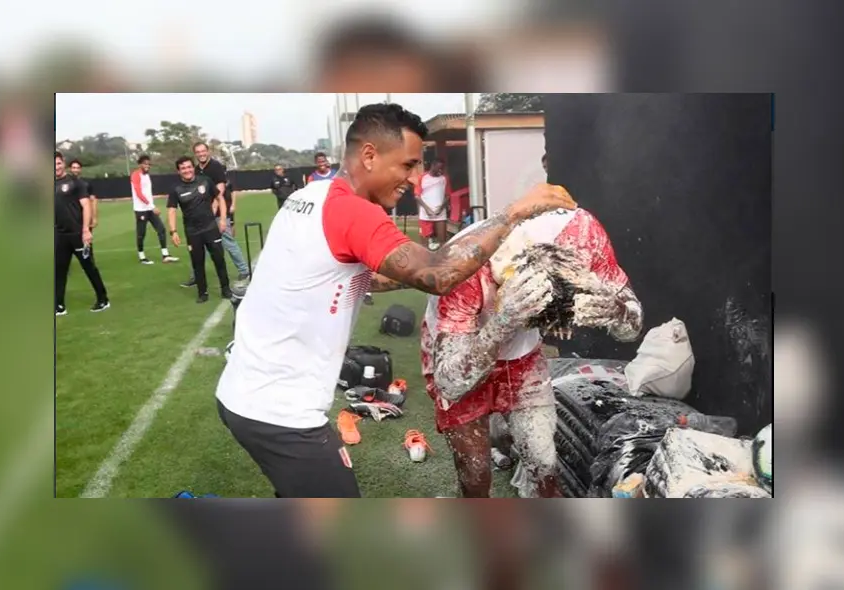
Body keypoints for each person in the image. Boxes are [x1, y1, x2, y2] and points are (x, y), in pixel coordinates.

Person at [215, 102, 576, 498]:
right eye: (407, 165)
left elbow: (360, 275)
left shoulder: (311, 195)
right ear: (369, 155)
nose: (415, 179)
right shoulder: (352, 212)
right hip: (279, 413)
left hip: (241, 392)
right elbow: (438, 273)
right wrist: (514, 214)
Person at [421, 207, 643, 498]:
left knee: (543, 463)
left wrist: (617, 310)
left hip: (522, 358)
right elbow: (450, 383)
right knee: (475, 475)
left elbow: (632, 327)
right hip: (461, 354)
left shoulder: (584, 234)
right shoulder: (464, 266)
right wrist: (502, 323)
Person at [180, 143, 250, 287]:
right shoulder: (196, 169)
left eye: (203, 151)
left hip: (217, 213)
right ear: (195, 154)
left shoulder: (215, 166)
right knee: (198, 247)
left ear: (208, 151)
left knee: (228, 241)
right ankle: (196, 276)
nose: (201, 154)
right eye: (198, 152)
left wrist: (214, 208)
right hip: (202, 215)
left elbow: (220, 189)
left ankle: (244, 270)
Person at [167, 156, 235, 303]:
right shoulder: (175, 189)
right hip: (192, 232)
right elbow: (171, 210)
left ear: (193, 168)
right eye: (183, 168)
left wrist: (223, 219)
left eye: (189, 167)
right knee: (197, 263)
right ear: (178, 171)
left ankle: (225, 289)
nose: (187, 170)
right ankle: (202, 292)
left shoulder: (205, 181)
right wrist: (173, 231)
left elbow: (220, 198)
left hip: (211, 228)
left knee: (219, 260)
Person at [54, 151, 109, 315]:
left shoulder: (76, 183)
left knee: (89, 267)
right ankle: (59, 305)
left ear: (63, 163)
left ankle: (103, 299)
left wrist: (86, 230)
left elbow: (86, 206)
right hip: (60, 235)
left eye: (58, 163)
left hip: (78, 233)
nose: (56, 167)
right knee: (59, 270)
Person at [130, 155, 179, 265]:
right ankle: (142, 257)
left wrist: (151, 206)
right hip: (141, 209)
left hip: (150, 208)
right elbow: (138, 193)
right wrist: (152, 206)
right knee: (141, 233)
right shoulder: (135, 175)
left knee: (161, 229)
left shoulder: (147, 176)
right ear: (140, 164)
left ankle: (165, 255)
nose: (147, 166)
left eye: (149, 164)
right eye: (145, 164)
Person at [415, 158, 451, 249]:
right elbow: (417, 196)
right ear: (433, 166)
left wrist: (441, 208)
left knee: (442, 241)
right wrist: (427, 209)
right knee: (424, 242)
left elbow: (447, 196)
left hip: (440, 213)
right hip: (426, 214)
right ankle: (425, 257)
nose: (440, 170)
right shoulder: (422, 177)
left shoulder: (444, 178)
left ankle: (442, 256)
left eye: (442, 168)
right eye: (439, 168)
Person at [69, 159, 98, 233]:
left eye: (78, 168)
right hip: (70, 217)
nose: (76, 170)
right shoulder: (65, 183)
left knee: (86, 237)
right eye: (74, 168)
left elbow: (93, 200)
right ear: (70, 169)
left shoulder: (87, 183)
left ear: (80, 169)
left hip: (85, 216)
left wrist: (94, 217)